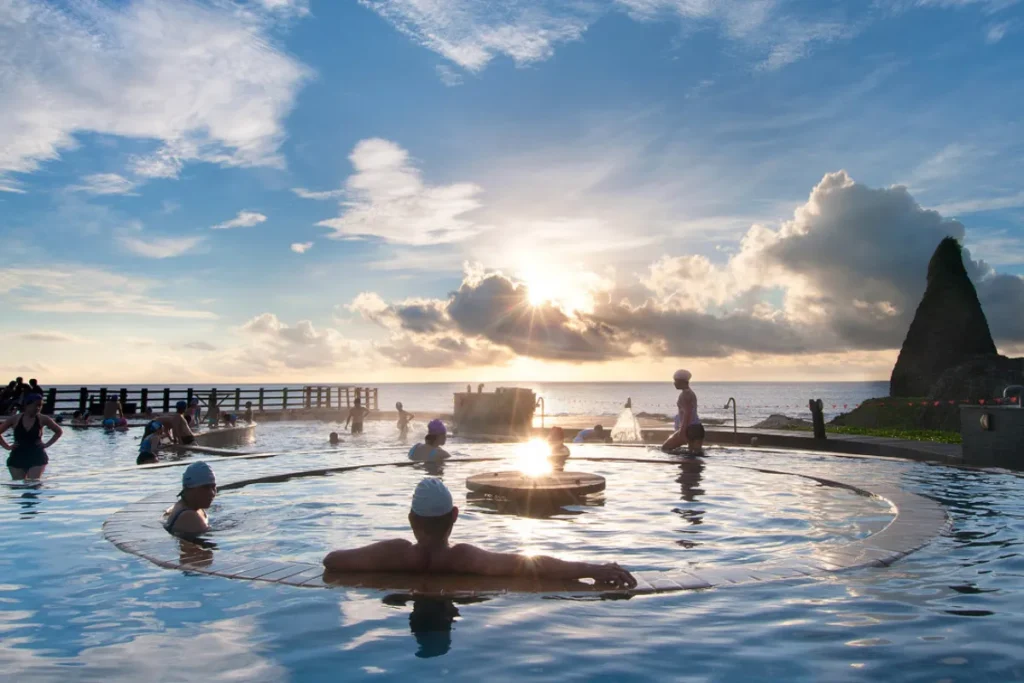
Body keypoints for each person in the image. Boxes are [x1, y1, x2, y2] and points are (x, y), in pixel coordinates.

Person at [323, 478, 636, 587]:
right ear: (454, 516)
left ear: (411, 519)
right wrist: (594, 569)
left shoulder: (395, 552)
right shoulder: (464, 558)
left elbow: (333, 560)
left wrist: (384, 557)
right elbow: (532, 564)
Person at [0, 394, 63, 479]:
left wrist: (46, 444)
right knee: (18, 486)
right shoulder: (15, 419)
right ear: (27, 405)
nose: (38, 408)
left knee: (33, 484)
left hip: (37, 455)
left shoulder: (43, 418)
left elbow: (58, 431)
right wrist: (7, 446)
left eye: (40, 406)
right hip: (17, 455)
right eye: (36, 405)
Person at [163, 461, 217, 535]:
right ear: (190, 489)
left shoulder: (191, 506)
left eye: (213, 487)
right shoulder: (189, 516)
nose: (212, 493)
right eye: (205, 487)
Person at [661, 369, 704, 454]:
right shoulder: (690, 393)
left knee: (665, 448)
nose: (674, 383)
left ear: (682, 382)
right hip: (698, 429)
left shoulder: (685, 395)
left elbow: (687, 413)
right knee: (695, 454)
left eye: (676, 381)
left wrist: (682, 431)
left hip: (689, 429)